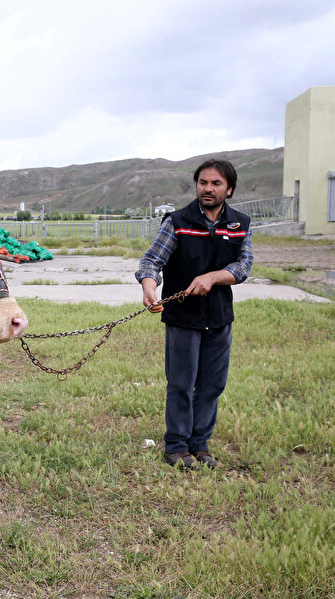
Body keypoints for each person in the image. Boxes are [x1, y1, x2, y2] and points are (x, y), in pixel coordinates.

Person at [136, 159, 253, 469]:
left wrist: (213, 277)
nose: (208, 188)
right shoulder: (177, 221)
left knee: (213, 384)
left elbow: (243, 267)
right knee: (181, 384)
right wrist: (149, 287)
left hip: (219, 319)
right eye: (203, 182)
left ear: (229, 189)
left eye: (216, 183)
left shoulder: (239, 225)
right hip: (182, 319)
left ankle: (199, 445)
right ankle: (175, 446)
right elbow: (151, 262)